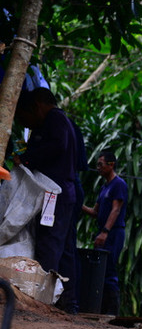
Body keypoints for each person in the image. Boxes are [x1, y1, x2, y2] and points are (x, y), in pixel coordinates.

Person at [13, 88, 78, 279]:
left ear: (36, 107)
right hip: (63, 192)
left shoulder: (55, 119)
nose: (24, 123)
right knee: (61, 247)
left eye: (24, 117)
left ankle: (43, 289)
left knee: (48, 243)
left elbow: (57, 145)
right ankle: (65, 294)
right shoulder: (61, 121)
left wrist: (26, 159)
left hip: (54, 193)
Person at [81, 150, 128, 315]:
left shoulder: (118, 184)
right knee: (100, 270)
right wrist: (78, 204)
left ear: (111, 165)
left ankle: (112, 311)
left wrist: (105, 232)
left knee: (109, 268)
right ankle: (101, 309)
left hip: (113, 233)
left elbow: (116, 209)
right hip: (104, 232)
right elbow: (95, 212)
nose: (98, 168)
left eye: (101, 164)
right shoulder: (104, 187)